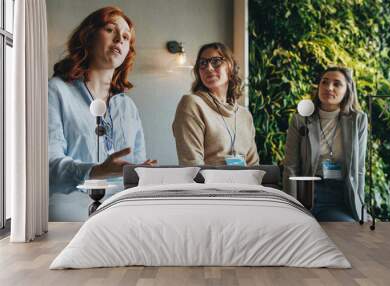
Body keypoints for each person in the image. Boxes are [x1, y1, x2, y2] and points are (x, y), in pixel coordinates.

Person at [48, 6, 155, 221]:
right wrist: (97, 171)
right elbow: (47, 169)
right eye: (110, 29)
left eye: (126, 37)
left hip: (122, 217)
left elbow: (136, 173)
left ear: (127, 54)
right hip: (68, 218)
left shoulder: (128, 108)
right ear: (88, 36)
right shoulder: (55, 91)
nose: (120, 39)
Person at [283, 67, 368, 222]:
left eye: (337, 84)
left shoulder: (358, 120)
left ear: (347, 90)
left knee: (347, 231)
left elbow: (359, 169)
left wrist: (361, 206)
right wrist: (291, 206)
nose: (329, 88)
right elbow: (291, 166)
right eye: (325, 82)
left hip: (341, 195)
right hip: (308, 193)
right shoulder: (300, 119)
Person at [172, 42, 259, 166]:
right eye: (203, 63)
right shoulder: (192, 104)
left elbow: (254, 166)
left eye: (216, 61)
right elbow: (192, 165)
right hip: (208, 185)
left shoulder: (245, 115)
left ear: (230, 67)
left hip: (245, 184)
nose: (208, 68)